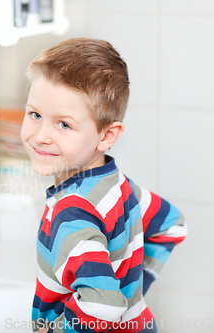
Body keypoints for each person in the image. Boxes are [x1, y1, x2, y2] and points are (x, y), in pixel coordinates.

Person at [20, 38, 187, 333]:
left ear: (107, 136)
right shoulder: (118, 184)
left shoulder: (70, 212)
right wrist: (131, 296)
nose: (41, 135)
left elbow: (104, 306)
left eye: (64, 124)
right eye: (35, 115)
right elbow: (172, 224)